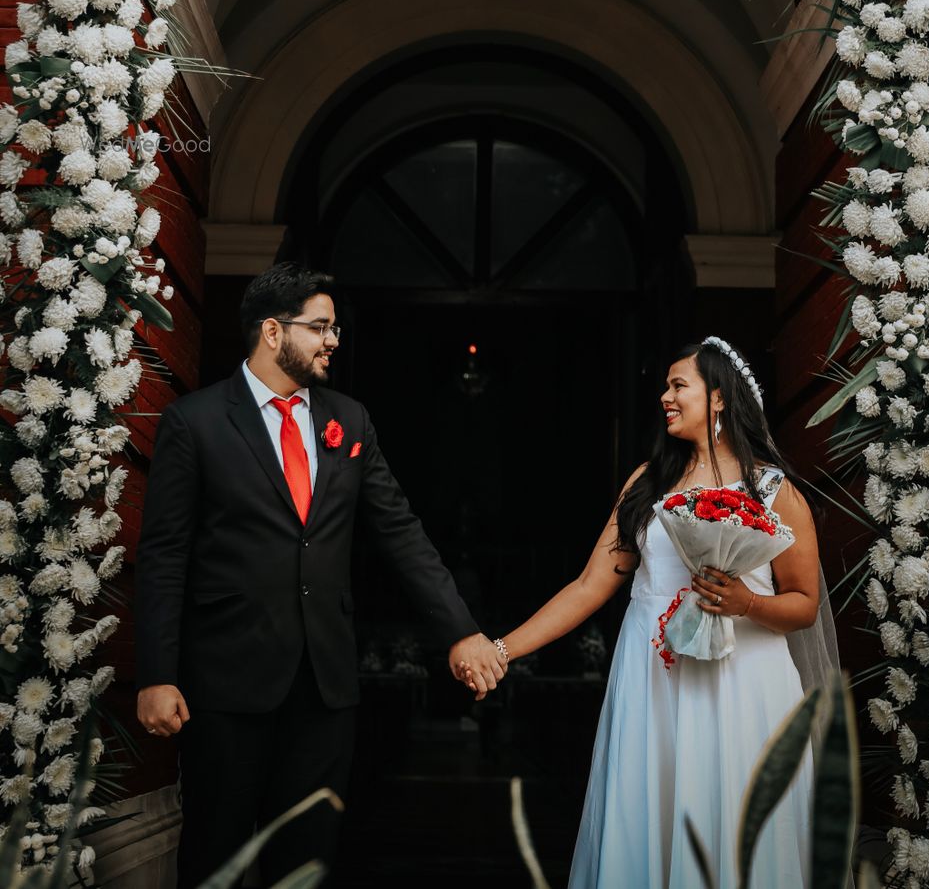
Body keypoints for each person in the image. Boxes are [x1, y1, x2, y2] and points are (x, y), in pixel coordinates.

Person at [134, 262, 506, 888]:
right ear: (273, 333)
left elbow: (402, 534)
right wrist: (156, 675)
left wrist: (461, 631)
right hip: (225, 684)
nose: (335, 340)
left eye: (336, 328)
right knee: (215, 855)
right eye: (322, 327)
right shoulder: (194, 423)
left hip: (326, 689)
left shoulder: (349, 421)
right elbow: (165, 555)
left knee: (307, 861)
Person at [487, 337, 823, 889]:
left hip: (743, 686)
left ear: (718, 397)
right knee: (650, 816)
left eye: (678, 385)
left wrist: (747, 603)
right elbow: (589, 586)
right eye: (666, 386)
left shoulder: (772, 490)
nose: (665, 396)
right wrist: (503, 650)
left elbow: (804, 604)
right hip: (653, 681)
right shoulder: (647, 483)